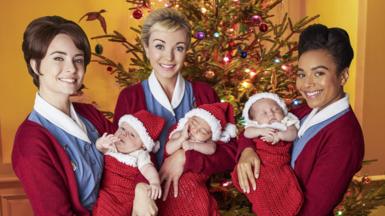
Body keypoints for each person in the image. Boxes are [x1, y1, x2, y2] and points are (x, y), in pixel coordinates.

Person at [11, 16, 155, 216]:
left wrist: (141, 189)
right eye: (59, 58)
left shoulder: (90, 115)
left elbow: (134, 154)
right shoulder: (31, 142)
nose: (72, 69)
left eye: (78, 59)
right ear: (36, 65)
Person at [113, 7, 237, 214]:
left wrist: (185, 158)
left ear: (186, 49)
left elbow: (230, 153)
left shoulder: (205, 94)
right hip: (148, 209)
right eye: (159, 46)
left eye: (178, 48)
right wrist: (142, 188)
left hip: (196, 206)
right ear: (146, 47)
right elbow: (117, 158)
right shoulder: (130, 97)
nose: (168, 57)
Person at [235, 23, 365, 215]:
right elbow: (254, 127)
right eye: (302, 74)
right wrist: (247, 151)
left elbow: (314, 210)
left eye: (319, 73)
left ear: (343, 76)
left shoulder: (345, 138)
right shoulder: (303, 111)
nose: (307, 84)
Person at [231, 92, 303, 215]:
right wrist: (261, 131)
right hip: (260, 160)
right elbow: (247, 133)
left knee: (281, 182)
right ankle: (266, 207)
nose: (271, 113)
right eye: (264, 113)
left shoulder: (286, 122)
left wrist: (280, 135)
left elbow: (293, 134)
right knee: (259, 183)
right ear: (254, 119)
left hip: (277, 162)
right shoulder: (255, 126)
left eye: (275, 109)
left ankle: (283, 206)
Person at [159, 102, 237, 215]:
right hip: (170, 179)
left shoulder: (207, 143)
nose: (195, 130)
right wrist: (182, 138)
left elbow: (212, 149)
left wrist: (193, 146)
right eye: (194, 124)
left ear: (211, 136)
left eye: (203, 131)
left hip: (194, 183)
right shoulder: (178, 134)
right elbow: (169, 149)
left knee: (199, 205)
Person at [93, 110, 165, 215]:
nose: (124, 134)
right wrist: (100, 142)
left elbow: (148, 168)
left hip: (126, 195)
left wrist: (154, 182)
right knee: (103, 208)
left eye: (132, 135)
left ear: (143, 145)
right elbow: (99, 148)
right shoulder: (111, 146)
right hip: (108, 192)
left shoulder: (139, 154)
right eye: (122, 128)